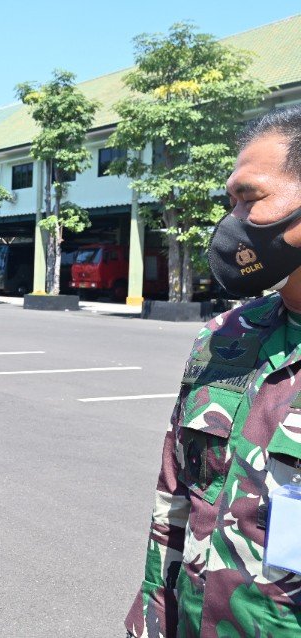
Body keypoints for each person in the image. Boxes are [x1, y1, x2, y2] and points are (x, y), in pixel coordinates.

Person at [125, 105, 301, 638]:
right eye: (231, 202)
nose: (232, 223)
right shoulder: (226, 334)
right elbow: (176, 496)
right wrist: (153, 618)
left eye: (250, 198)